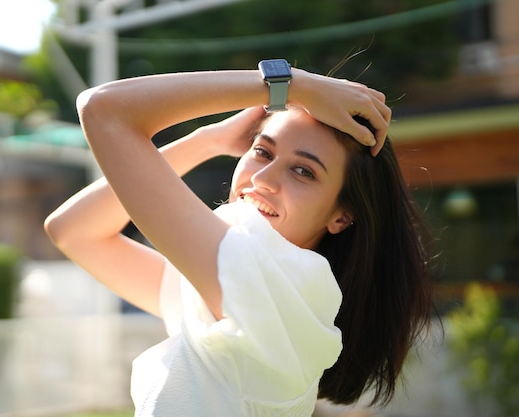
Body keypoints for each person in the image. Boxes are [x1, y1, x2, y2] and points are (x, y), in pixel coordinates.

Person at [44, 62, 433, 416]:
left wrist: (290, 84)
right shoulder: (261, 290)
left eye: (302, 171)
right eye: (262, 152)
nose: (262, 179)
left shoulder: (273, 285)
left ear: (342, 215)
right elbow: (73, 231)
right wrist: (211, 139)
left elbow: (103, 109)